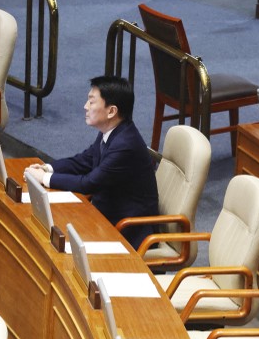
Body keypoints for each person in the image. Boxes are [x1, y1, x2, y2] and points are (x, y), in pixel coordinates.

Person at [25, 75, 159, 249]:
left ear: (111, 111)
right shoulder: (113, 131)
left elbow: (89, 183)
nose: (85, 107)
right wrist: (47, 168)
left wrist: (44, 178)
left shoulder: (125, 145)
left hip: (128, 230)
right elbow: (85, 160)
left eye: (91, 102)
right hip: (106, 215)